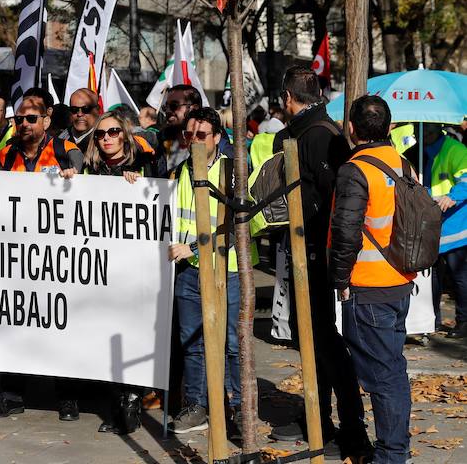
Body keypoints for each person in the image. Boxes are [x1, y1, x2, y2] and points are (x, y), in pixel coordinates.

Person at [270, 66, 370, 458]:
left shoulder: (318, 137)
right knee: (312, 337)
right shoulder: (311, 132)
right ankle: (319, 414)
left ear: (288, 98)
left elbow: (333, 200)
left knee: (323, 340)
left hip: (315, 254)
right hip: (308, 252)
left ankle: (349, 427)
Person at [0, 97, 83, 422]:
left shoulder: (64, 148)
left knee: (60, 326)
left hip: (57, 257)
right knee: (15, 325)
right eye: (20, 119)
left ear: (46, 121)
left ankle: (67, 397)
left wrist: (74, 173)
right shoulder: (7, 154)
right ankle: (11, 395)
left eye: (31, 119)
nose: (24, 124)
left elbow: (83, 174)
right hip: (17, 258)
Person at [330, 95, 415, 464]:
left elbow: (346, 232)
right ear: (389, 127)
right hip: (399, 282)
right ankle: (396, 450)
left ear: (351, 129)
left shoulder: (355, 169)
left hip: (368, 287)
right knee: (393, 370)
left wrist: (339, 279)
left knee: (384, 378)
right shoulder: (402, 164)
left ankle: (392, 455)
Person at [167, 107, 252, 438]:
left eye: (201, 135)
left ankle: (238, 408)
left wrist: (193, 247)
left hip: (226, 270)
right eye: (189, 135)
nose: (194, 141)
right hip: (188, 273)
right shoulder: (176, 173)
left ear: (218, 137)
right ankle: (197, 405)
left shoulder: (232, 172)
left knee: (231, 343)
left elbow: (235, 225)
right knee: (192, 342)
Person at [83, 111, 155, 434]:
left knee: (131, 334)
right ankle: (119, 401)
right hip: (101, 269)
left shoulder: (145, 164)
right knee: (106, 336)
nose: (107, 138)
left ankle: (132, 398)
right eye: (100, 134)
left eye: (113, 132)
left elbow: (158, 199)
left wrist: (142, 184)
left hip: (135, 269)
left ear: (124, 134)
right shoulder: (92, 169)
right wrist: (70, 180)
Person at [404, 123, 467, 338]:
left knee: (459, 278)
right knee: (433, 279)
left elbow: (466, 181)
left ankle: (464, 321)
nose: (424, 134)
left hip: (455, 226)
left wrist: (453, 197)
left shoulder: (456, 150)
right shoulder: (412, 153)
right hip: (430, 226)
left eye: (429, 129)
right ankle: (432, 321)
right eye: (421, 130)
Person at [59, 88, 100, 153]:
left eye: (86, 109)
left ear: (97, 110)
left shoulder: (104, 141)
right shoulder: (58, 140)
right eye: (74, 109)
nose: (80, 114)